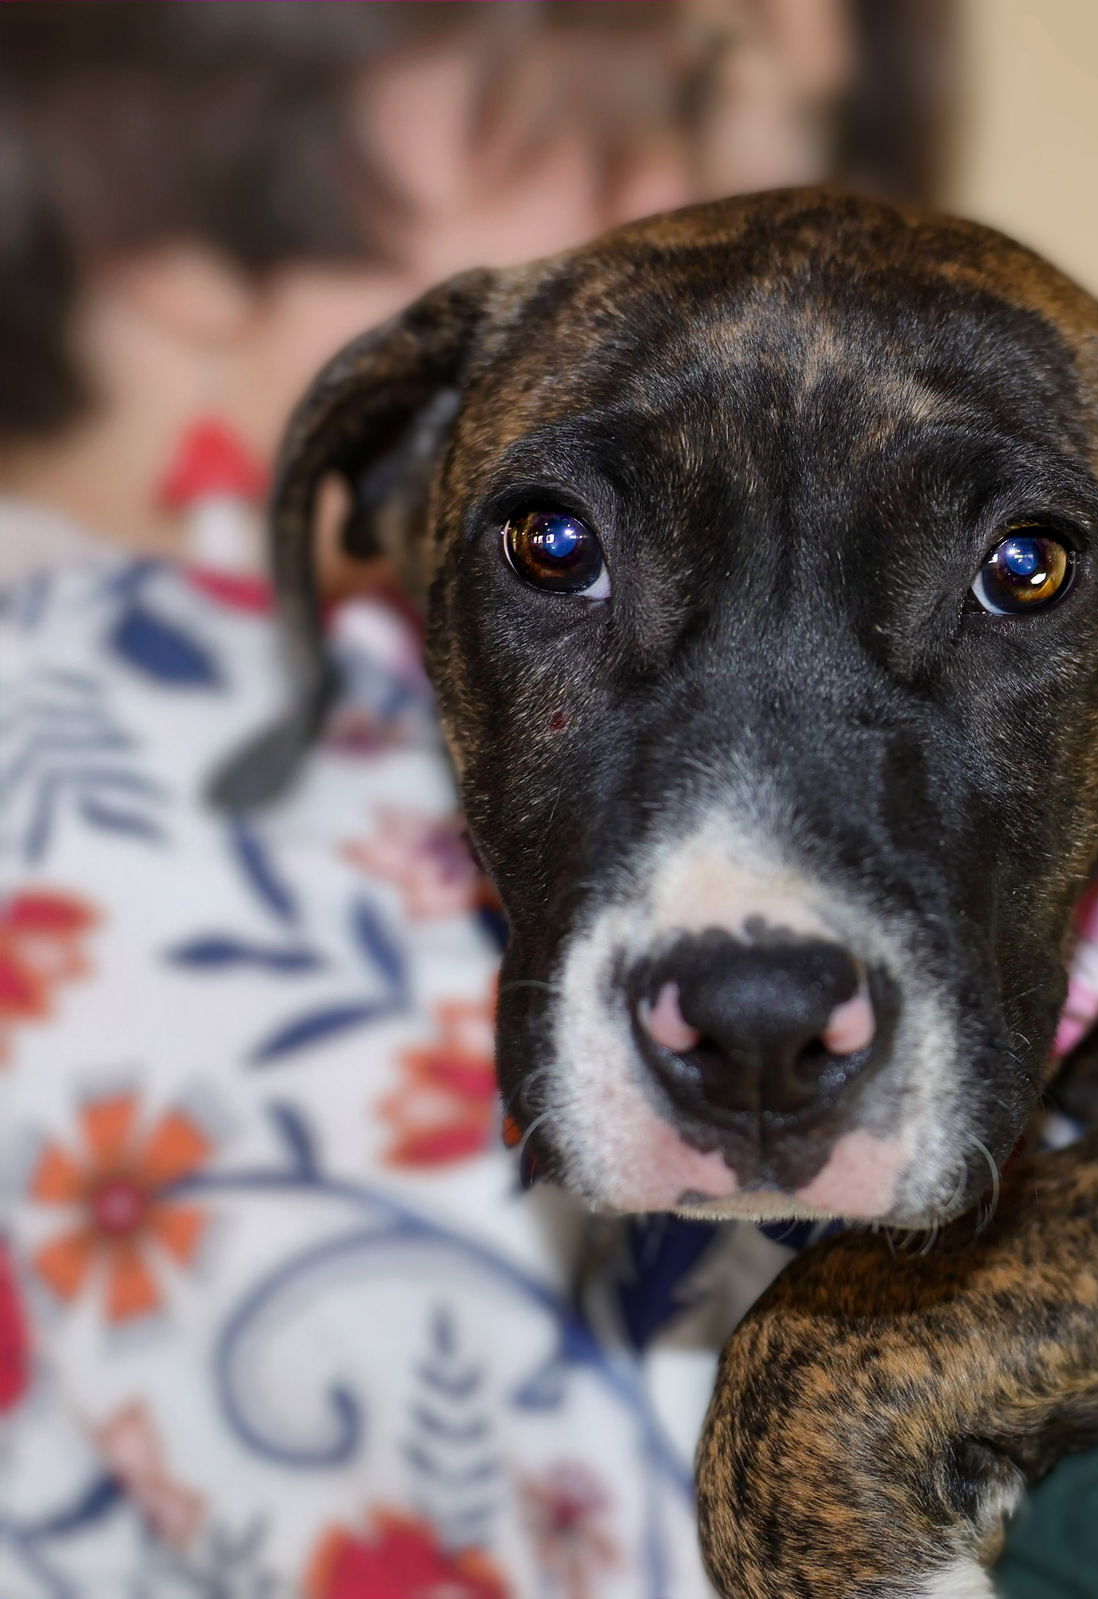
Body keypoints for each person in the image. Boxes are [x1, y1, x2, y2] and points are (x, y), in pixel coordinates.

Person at [0, 7, 951, 1597]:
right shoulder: (114, 727)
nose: (721, 210)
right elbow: (676, 1535)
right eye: (659, 105)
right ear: (184, 201)